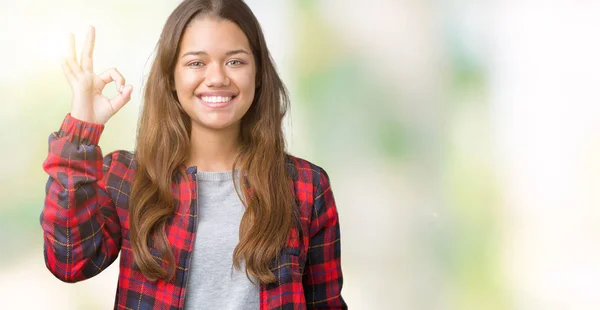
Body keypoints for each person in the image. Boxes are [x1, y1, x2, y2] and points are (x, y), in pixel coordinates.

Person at [40, 0, 347, 309]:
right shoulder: (127, 177)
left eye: (235, 62)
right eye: (196, 63)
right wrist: (82, 127)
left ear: (258, 73)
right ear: (171, 78)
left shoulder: (306, 186)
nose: (216, 78)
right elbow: (69, 262)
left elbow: (327, 303)